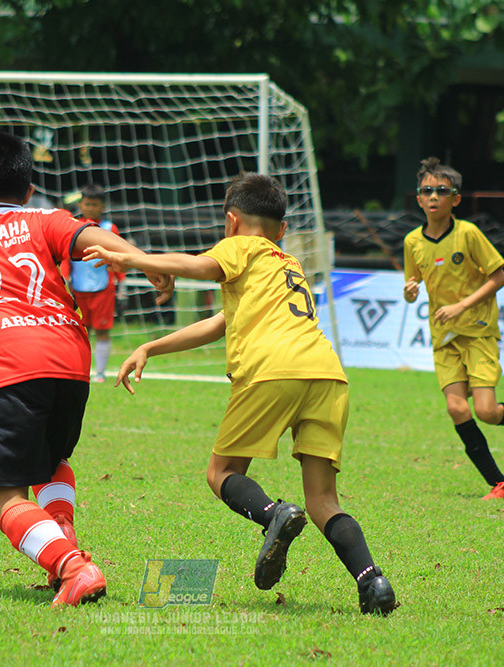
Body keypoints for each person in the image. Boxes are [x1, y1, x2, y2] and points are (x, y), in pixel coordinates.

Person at [83, 173, 397, 616]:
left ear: (231, 221)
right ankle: (373, 582)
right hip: (327, 375)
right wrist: (151, 346)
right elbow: (221, 323)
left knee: (222, 472)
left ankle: (273, 515)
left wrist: (128, 258)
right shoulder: (288, 263)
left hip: (273, 369)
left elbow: (198, 266)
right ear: (282, 229)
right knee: (324, 500)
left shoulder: (241, 245)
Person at [0, 132, 173, 608]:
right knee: (52, 462)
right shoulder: (46, 219)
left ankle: (73, 567)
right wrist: (146, 263)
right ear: (30, 190)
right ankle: (63, 537)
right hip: (71, 363)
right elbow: (93, 237)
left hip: (12, 368)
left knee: (2, 497)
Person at [402, 157, 504, 501]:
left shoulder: (468, 234)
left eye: (441, 191)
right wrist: (409, 292)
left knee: (487, 411)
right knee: (457, 408)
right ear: (418, 199)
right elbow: (412, 287)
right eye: (426, 191)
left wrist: (461, 306)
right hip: (444, 339)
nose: (433, 196)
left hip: (478, 332)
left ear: (455, 199)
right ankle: (499, 483)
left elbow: (498, 277)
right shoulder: (412, 241)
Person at [60, 184, 125, 382]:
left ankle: (100, 373)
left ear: (102, 206)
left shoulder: (109, 228)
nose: (90, 208)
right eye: (87, 204)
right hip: (77, 289)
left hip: (103, 289)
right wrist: (65, 280)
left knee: (102, 331)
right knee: (80, 332)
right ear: (80, 204)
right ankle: (81, 371)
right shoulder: (72, 226)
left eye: (94, 205)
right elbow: (66, 258)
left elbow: (119, 258)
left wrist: (122, 287)